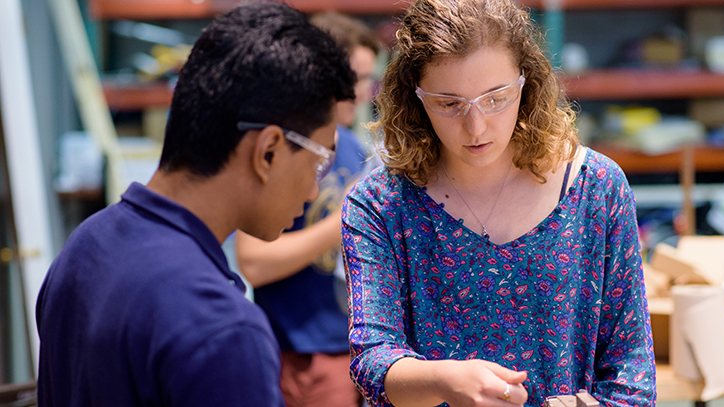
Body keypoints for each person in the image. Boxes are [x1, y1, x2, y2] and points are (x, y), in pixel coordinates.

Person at [35, 3, 356, 406]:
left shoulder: (85, 246)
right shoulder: (222, 330)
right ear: (269, 151)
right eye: (319, 162)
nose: (314, 190)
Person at [341, 0, 656, 406]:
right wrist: (442, 379)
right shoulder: (379, 206)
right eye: (449, 103)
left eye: (495, 98)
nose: (476, 126)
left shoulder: (596, 188)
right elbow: (372, 361)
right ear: (415, 97)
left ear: (527, 83)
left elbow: (632, 372)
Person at [234, 11, 381, 407]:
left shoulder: (357, 152)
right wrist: (345, 221)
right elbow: (254, 262)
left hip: (343, 354)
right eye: (356, 78)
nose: (363, 91)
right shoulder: (283, 149)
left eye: (369, 79)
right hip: (285, 352)